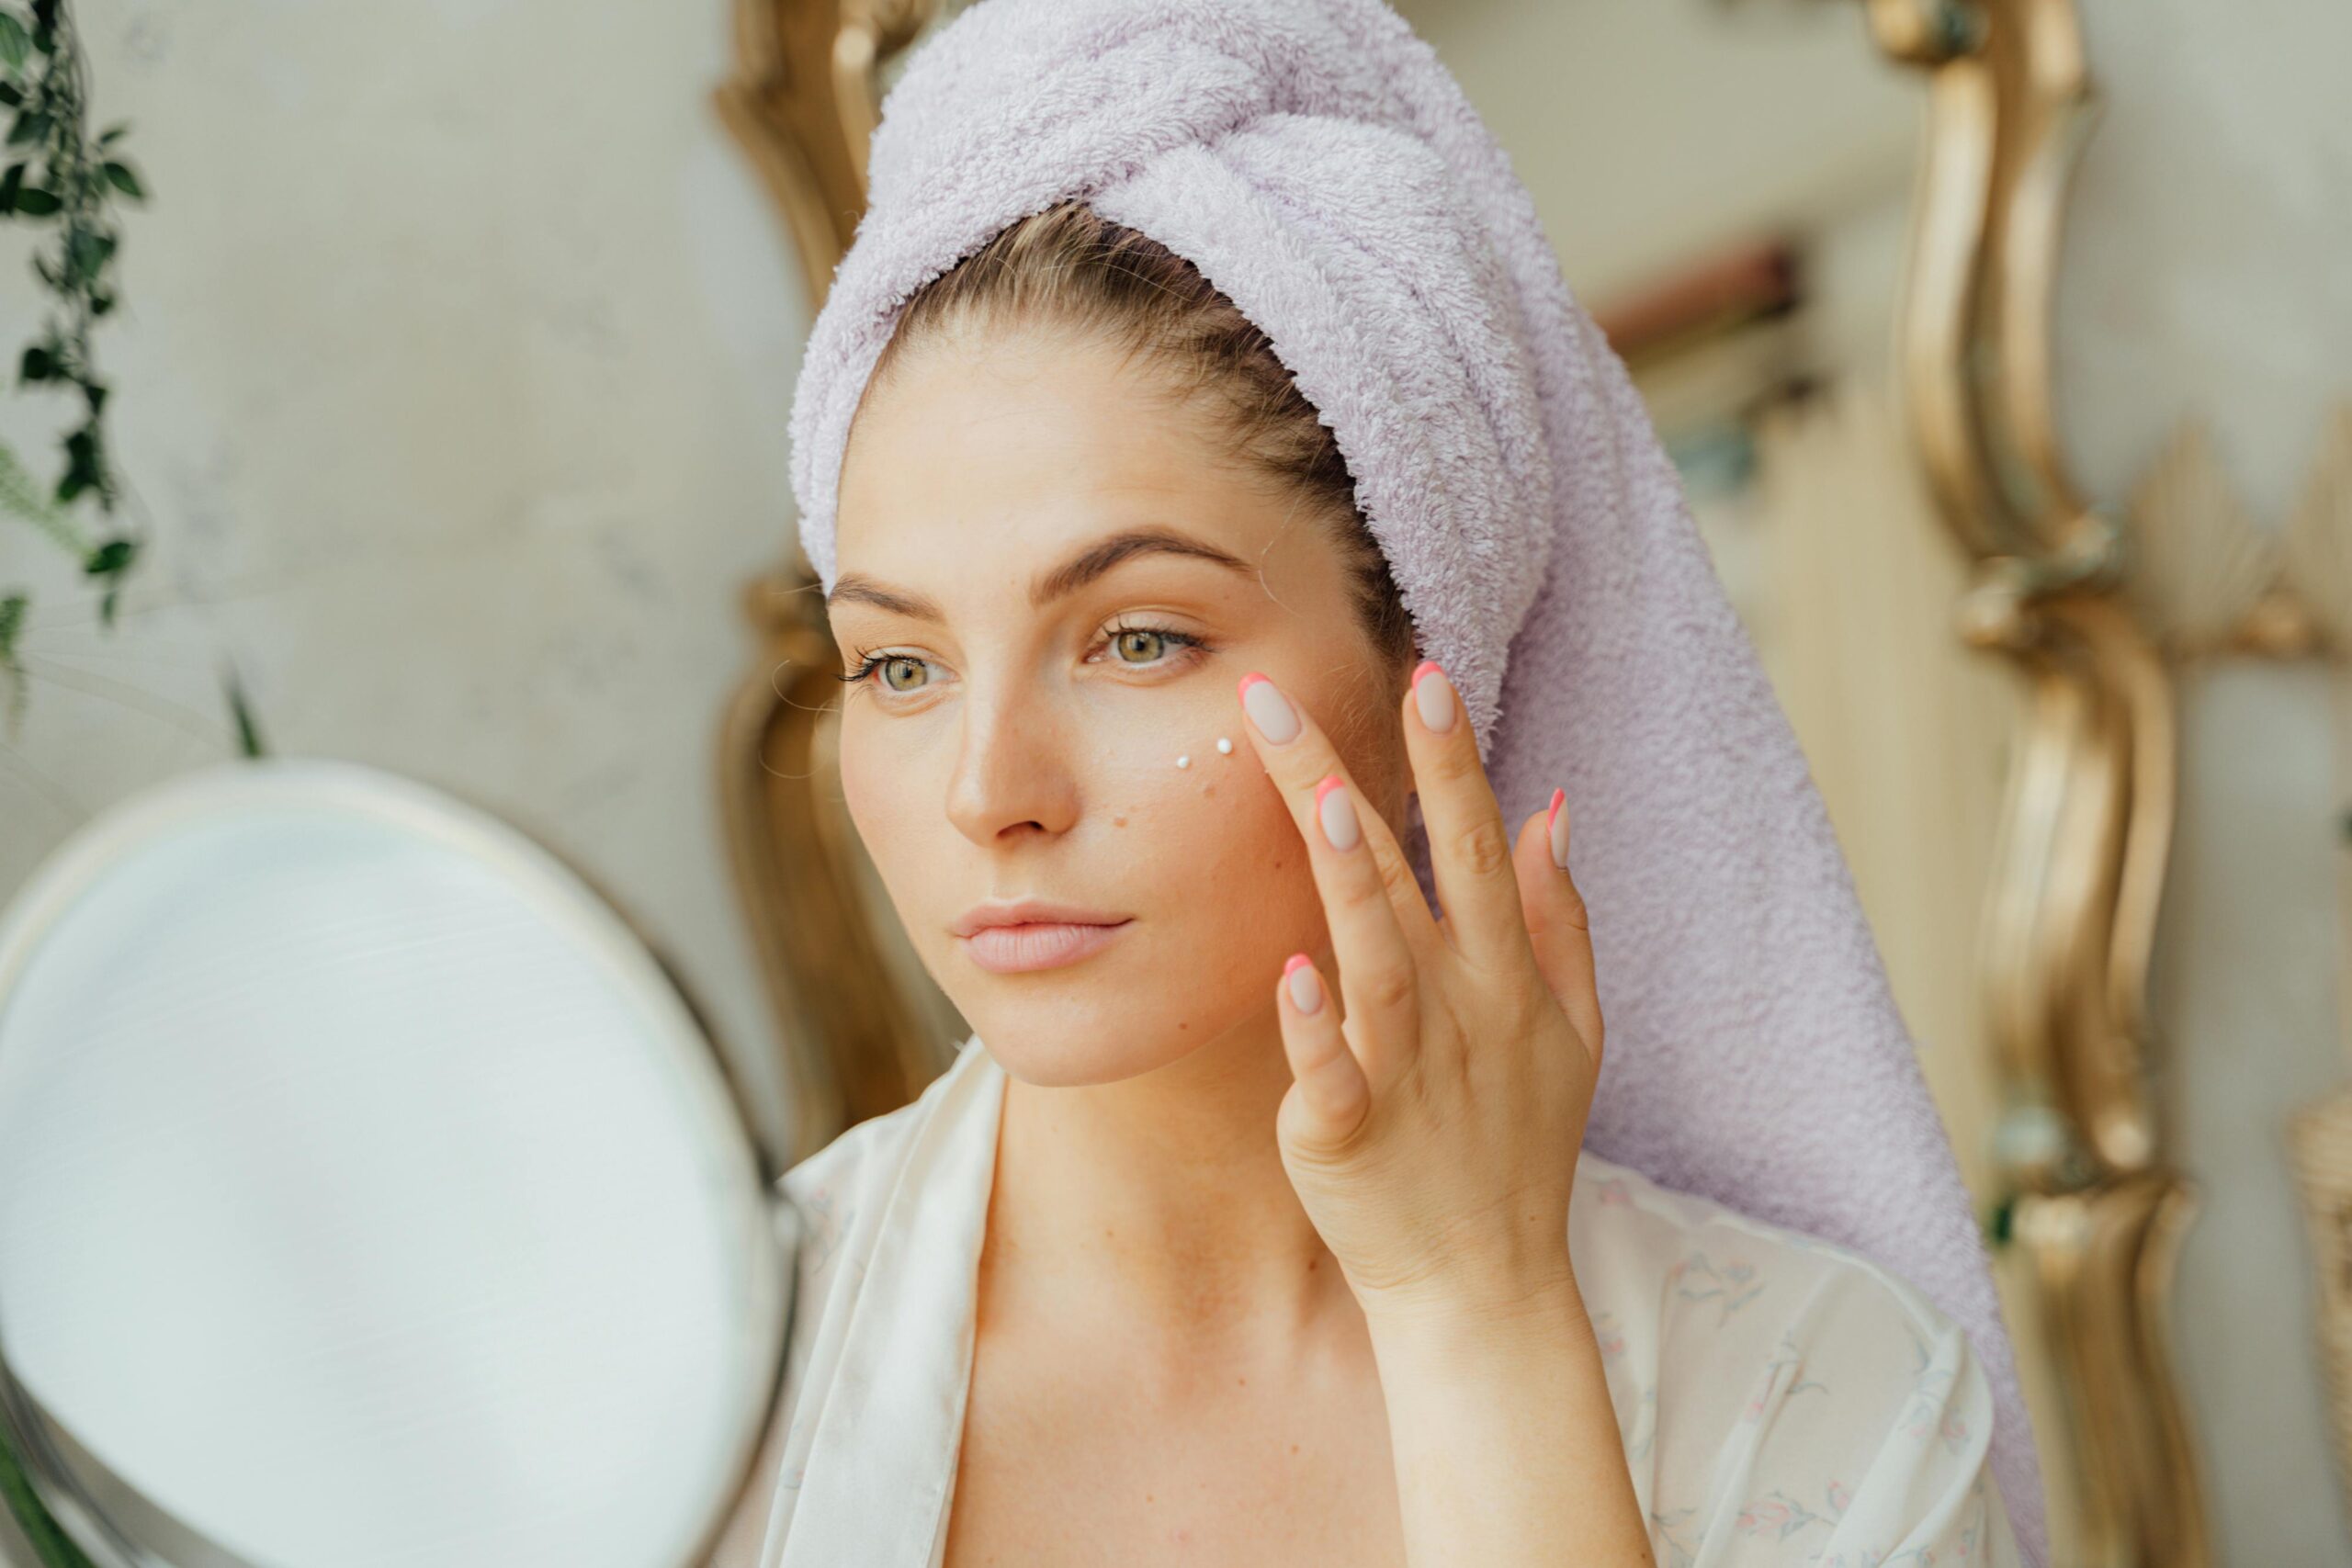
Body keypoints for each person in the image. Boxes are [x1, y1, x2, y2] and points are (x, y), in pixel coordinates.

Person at [702, 194, 2027, 1566]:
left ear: (1421, 669)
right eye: (899, 667)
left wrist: (1482, 1309)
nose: (988, 795)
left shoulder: (1818, 1398)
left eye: (1138, 640)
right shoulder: (675, 1386)